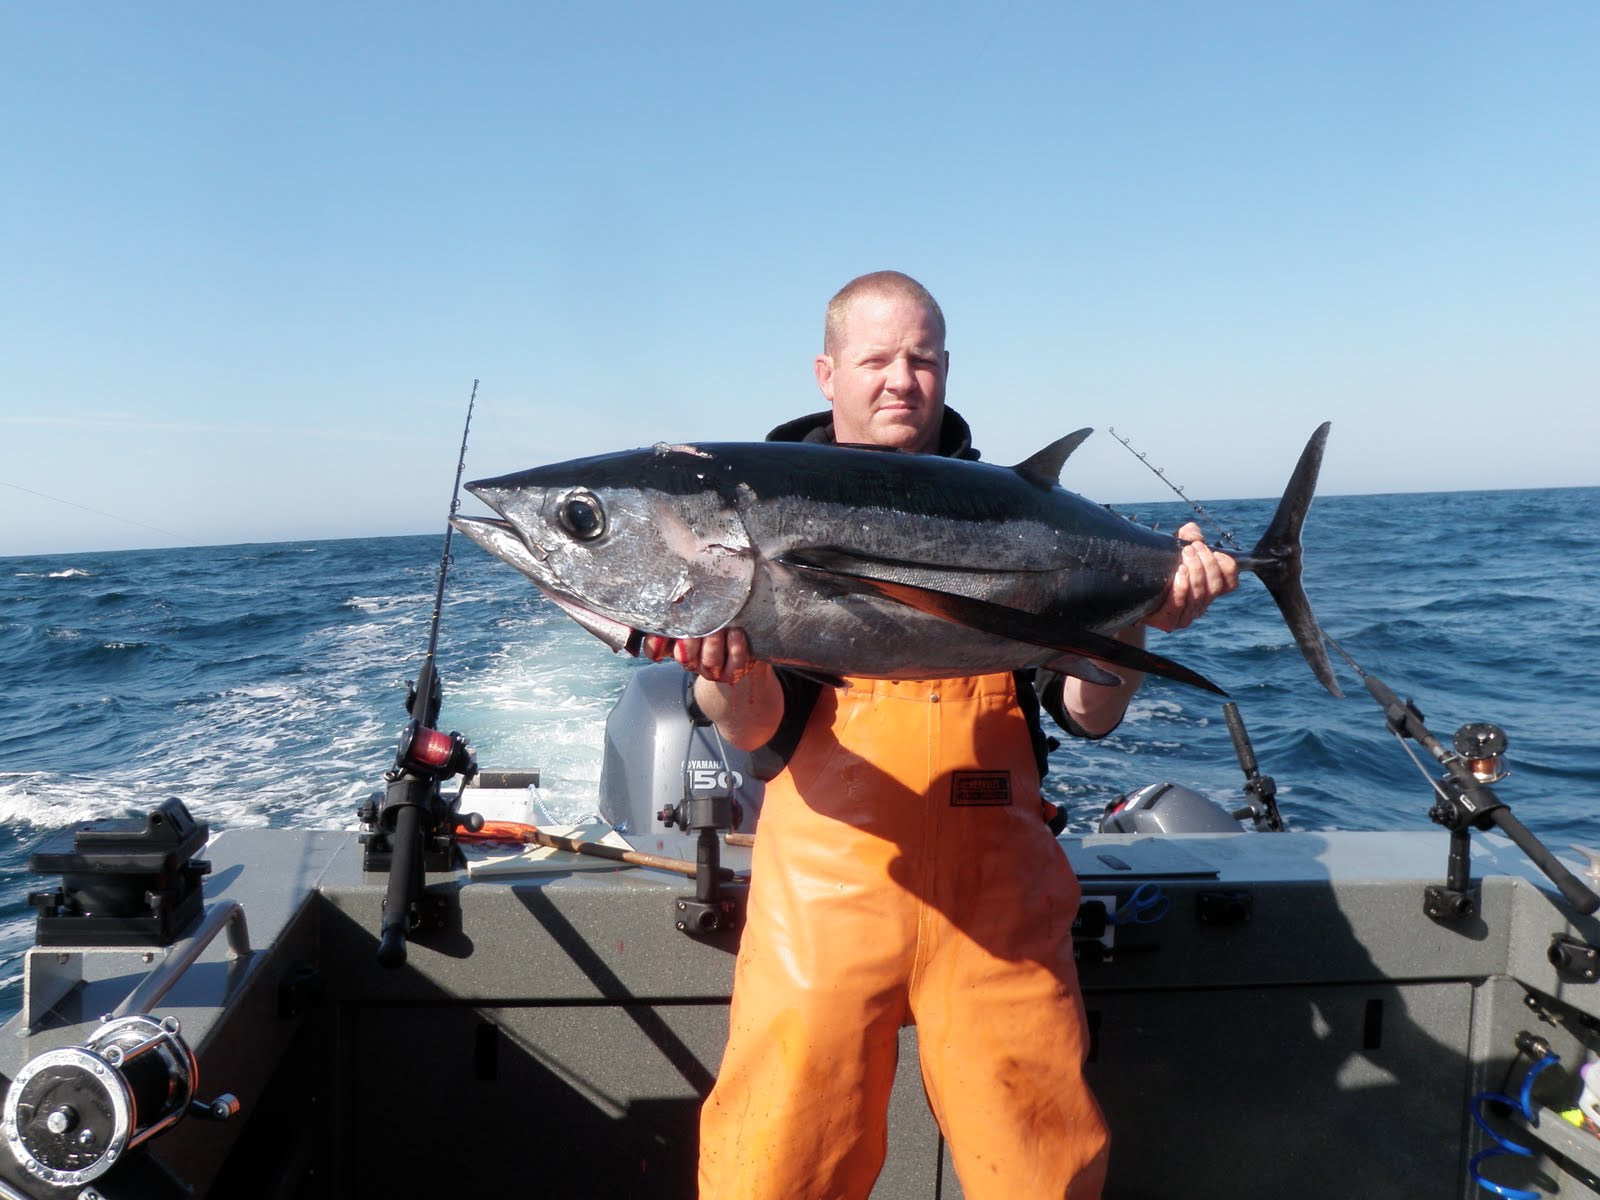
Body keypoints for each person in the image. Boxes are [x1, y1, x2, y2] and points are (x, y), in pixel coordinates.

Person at [645, 271, 1238, 1200]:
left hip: (1000, 897)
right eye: (876, 359)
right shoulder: (750, 514)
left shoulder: (1016, 517)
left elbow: (1089, 714)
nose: (899, 381)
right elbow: (758, 729)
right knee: (776, 1172)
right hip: (827, 894)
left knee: (1040, 1176)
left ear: (947, 370)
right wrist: (728, 666)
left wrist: (1136, 613)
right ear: (826, 372)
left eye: (920, 359)